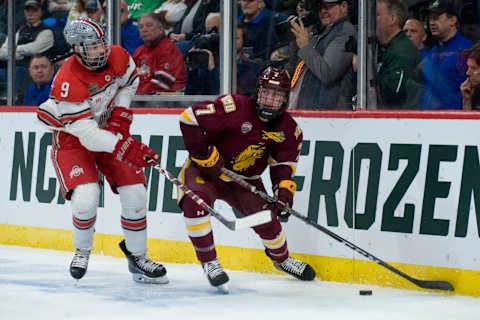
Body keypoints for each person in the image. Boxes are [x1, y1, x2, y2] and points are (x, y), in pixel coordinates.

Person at [36, 17, 168, 284]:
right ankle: (82, 250)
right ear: (76, 49)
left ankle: (137, 256)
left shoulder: (118, 56)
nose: (99, 51)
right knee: (86, 197)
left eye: (100, 44)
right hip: (74, 138)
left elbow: (130, 83)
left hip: (108, 129)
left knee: (136, 193)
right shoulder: (67, 80)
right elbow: (89, 136)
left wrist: (120, 112)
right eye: (91, 47)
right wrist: (126, 146)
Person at [178, 66, 316, 290]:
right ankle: (210, 262)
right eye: (266, 93)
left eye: (277, 95)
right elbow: (188, 118)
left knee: (267, 220)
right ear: (258, 92)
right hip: (207, 171)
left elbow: (283, 166)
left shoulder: (289, 130)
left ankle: (282, 260)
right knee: (195, 203)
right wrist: (203, 155)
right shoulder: (234, 108)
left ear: (284, 99)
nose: (270, 99)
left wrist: (284, 194)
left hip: (246, 179)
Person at [288, 0, 355, 109]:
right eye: (319, 7)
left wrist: (305, 46)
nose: (323, 11)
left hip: (326, 115)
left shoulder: (344, 31)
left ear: (343, 6)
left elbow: (327, 73)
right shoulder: (325, 31)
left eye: (328, 6)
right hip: (312, 111)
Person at [420, 0, 472, 110]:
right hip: (427, 120)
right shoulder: (432, 52)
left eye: (436, 18)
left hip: (453, 121)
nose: (431, 23)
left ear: (453, 20)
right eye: (430, 18)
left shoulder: (466, 50)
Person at [373, 0, 421, 109]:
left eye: (377, 15)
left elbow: (394, 92)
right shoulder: (390, 48)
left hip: (403, 122)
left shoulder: (403, 51)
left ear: (392, 19)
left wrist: (366, 69)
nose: (373, 20)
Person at [0, 0, 55, 94]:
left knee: (18, 70)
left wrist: (13, 51)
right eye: (28, 11)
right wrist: (18, 54)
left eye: (34, 11)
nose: (30, 14)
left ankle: (14, 100)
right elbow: (3, 50)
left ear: (40, 12)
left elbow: (33, 49)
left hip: (31, 71)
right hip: (13, 67)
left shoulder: (47, 32)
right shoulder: (20, 29)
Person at [133, 12, 186, 94]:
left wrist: (137, 94)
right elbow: (131, 80)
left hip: (168, 101)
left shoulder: (168, 49)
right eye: (141, 27)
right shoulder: (138, 51)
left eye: (149, 25)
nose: (144, 29)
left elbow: (162, 83)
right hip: (142, 99)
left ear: (160, 29)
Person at [460, 42, 480, 110]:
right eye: (468, 67)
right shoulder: (475, 92)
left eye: (474, 68)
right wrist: (466, 100)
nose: (467, 73)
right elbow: (467, 120)